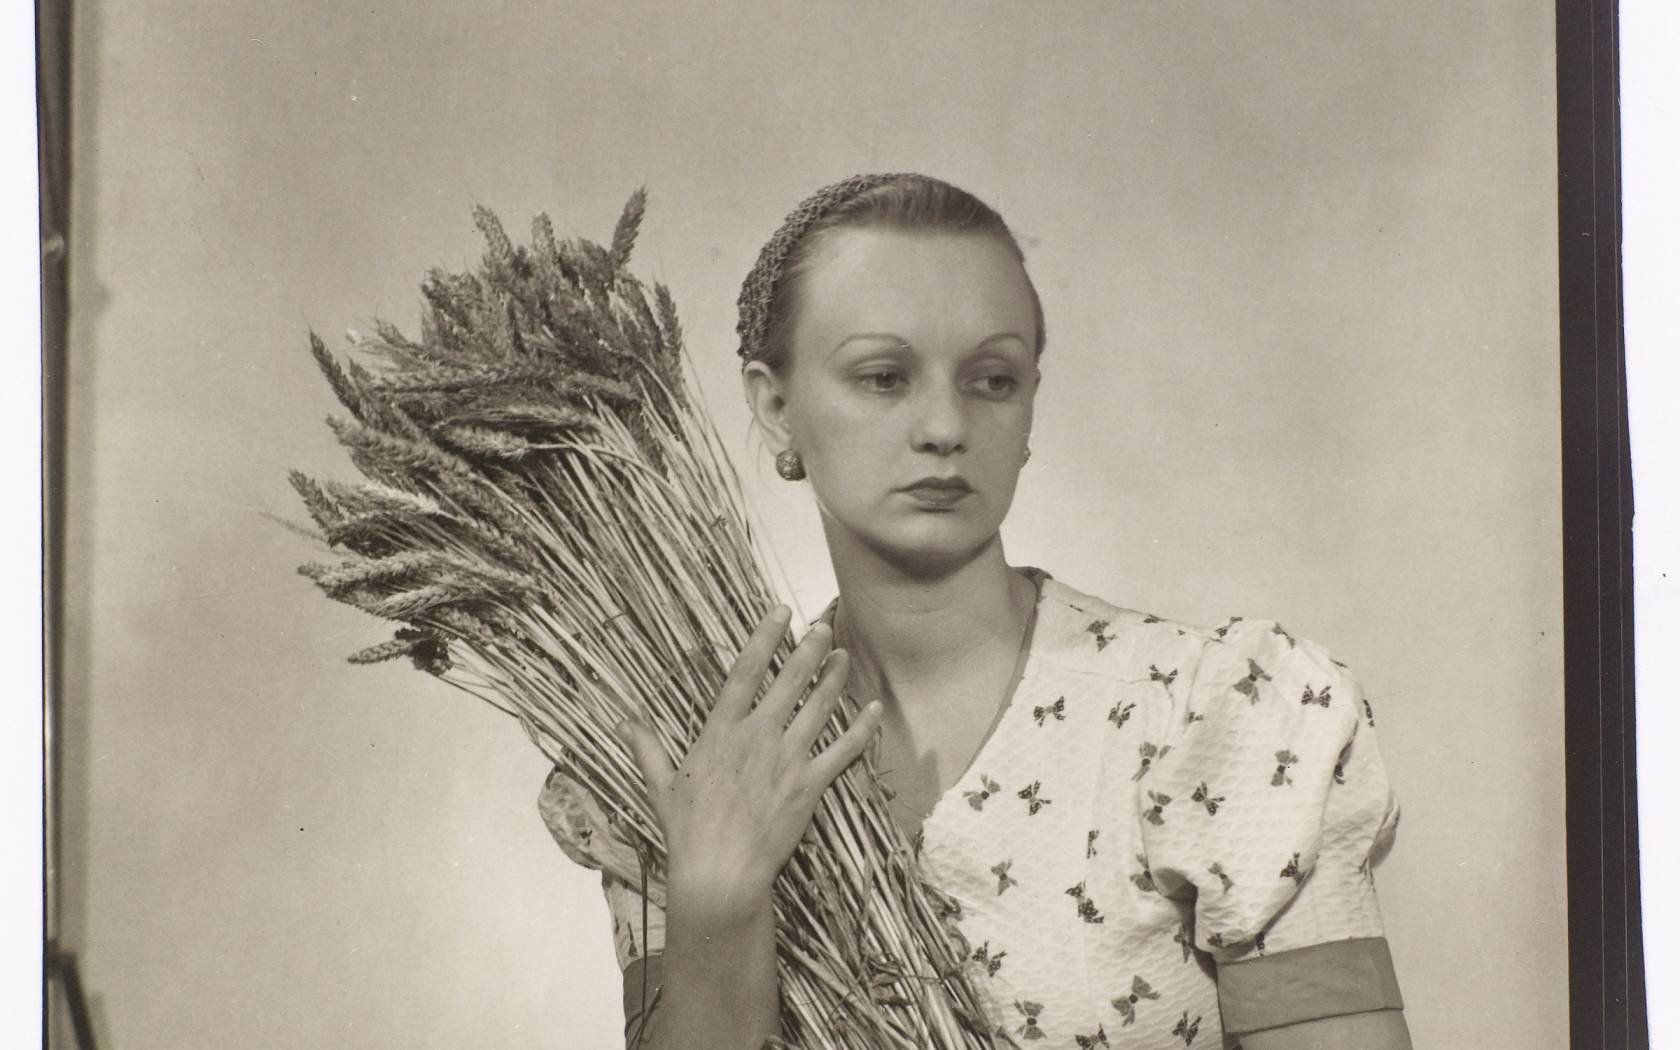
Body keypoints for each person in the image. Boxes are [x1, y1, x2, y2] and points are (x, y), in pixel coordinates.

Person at [539, 174, 1410, 1049]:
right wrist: (716, 905)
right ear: (775, 407)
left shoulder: (1215, 715)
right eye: (884, 378)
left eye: (992, 380)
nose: (945, 425)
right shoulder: (702, 757)